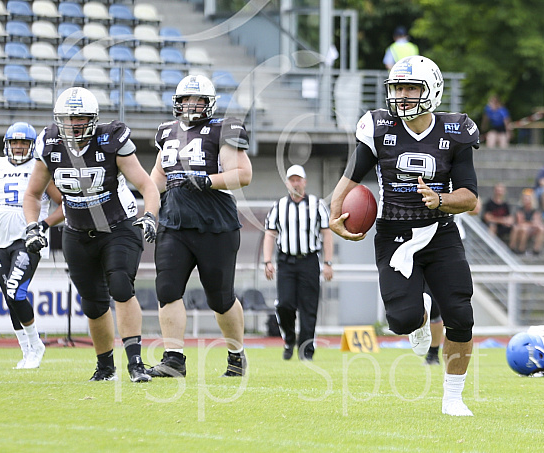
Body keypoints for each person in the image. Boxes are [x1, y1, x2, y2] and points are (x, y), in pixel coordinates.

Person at [329, 56, 479, 416]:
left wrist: (440, 199)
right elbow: (350, 176)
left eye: (411, 88)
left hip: (440, 232)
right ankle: (420, 316)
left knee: (461, 315)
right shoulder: (378, 127)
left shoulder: (454, 131)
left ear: (433, 91)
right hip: (394, 233)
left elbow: (470, 197)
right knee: (401, 320)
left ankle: (453, 397)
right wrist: (333, 215)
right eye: (397, 88)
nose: (403, 95)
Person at [23, 87, 161, 383]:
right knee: (93, 303)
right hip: (76, 230)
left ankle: (135, 363)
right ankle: (105, 367)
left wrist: (149, 216)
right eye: (67, 118)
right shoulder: (48, 143)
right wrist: (33, 225)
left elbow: (148, 186)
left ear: (93, 118)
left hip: (117, 226)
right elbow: (33, 194)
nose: (73, 124)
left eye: (80, 117)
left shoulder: (111, 140)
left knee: (121, 286)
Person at [146, 75, 252, 378]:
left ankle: (235, 355)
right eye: (186, 100)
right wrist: (150, 213)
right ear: (177, 103)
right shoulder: (166, 132)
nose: (191, 105)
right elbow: (157, 176)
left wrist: (208, 180)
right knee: (167, 289)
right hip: (174, 221)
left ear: (209, 103)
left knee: (220, 298)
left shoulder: (223, 129)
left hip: (214, 223)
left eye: (198, 100)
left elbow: (243, 174)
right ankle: (173, 359)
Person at [0, 122, 64, 369]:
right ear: (7, 144)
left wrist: (43, 224)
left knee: (15, 291)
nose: (19, 147)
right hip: (1, 241)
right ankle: (27, 351)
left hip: (28, 240)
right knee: (9, 297)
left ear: (32, 145)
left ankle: (37, 346)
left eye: (24, 142)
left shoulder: (39, 167)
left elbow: (64, 204)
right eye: (15, 142)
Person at [262, 164, 334, 361]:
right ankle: (289, 338)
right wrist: (267, 261)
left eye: (298, 179)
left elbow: (327, 234)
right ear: (287, 183)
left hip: (309, 260)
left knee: (308, 307)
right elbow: (270, 234)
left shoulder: (317, 205)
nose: (295, 183)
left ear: (305, 182)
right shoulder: (279, 206)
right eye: (292, 180)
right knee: (284, 304)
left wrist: (328, 262)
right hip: (285, 261)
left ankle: (306, 351)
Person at [509, 188, 544, 256]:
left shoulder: (535, 209)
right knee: (524, 229)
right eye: (525, 198)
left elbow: (537, 222)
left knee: (542, 228)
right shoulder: (520, 209)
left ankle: (536, 250)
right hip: (521, 228)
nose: (526, 200)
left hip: (531, 228)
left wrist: (529, 224)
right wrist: (531, 223)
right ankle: (519, 248)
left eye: (528, 198)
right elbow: (520, 222)